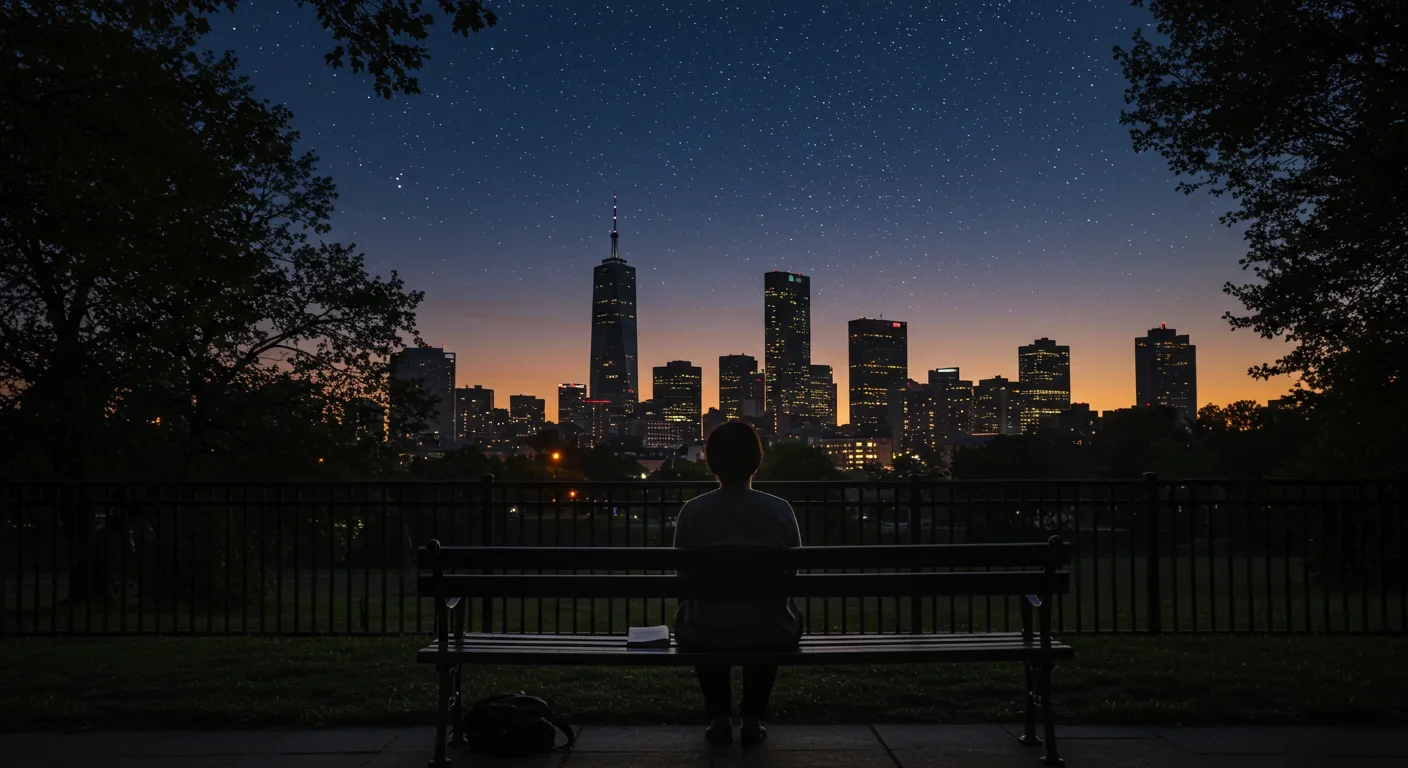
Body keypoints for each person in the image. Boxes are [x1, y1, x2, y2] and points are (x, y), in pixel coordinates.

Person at [672, 420, 804, 747]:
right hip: (771, 629)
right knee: (765, 618)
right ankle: (752, 717)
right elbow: (793, 574)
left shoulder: (693, 511)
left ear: (712, 462)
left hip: (705, 630)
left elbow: (683, 577)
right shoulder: (779, 510)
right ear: (756, 461)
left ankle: (718, 717)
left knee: (705, 618)